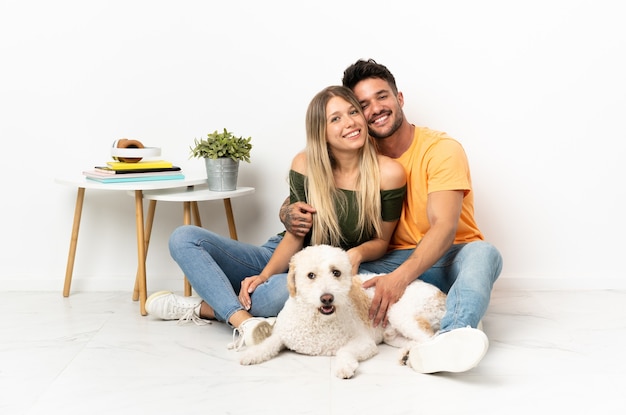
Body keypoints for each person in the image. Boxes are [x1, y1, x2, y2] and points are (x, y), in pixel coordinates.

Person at [280, 59, 503, 374]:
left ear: (399, 99)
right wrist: (287, 212)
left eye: (382, 97)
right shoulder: (356, 145)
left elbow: (444, 228)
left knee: (485, 253)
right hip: (386, 259)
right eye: (363, 104)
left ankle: (452, 337)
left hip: (446, 258)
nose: (375, 109)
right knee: (297, 286)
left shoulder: (441, 149)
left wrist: (400, 279)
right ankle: (225, 310)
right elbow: (304, 189)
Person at [146, 85, 407, 351]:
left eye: (353, 112)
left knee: (281, 292)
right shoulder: (305, 164)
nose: (350, 122)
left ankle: (206, 308)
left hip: (322, 272)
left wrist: (357, 254)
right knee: (184, 238)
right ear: (321, 132)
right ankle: (245, 322)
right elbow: (296, 235)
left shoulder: (388, 173)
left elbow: (381, 241)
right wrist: (264, 274)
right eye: (336, 118)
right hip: (283, 253)